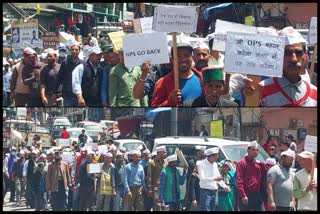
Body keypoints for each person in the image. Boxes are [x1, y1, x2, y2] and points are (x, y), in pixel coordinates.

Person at [259, 26, 317, 106]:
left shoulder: (314, 93)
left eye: (298, 52)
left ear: (305, 56)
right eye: (287, 53)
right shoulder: (261, 90)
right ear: (277, 56)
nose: (294, 59)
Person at [151, 34, 203, 107]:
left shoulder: (202, 78)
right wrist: (170, 102)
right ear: (172, 59)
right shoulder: (162, 83)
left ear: (192, 57)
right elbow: (154, 111)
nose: (183, 59)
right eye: (178, 56)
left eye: (186, 55)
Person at [236, 141, 269, 211]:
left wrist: (260, 163)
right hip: (246, 194)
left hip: (257, 194)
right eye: (253, 150)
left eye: (257, 150)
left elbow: (267, 171)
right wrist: (243, 195)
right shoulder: (242, 163)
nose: (255, 152)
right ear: (248, 150)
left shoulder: (258, 164)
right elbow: (239, 181)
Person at [55, 41, 82, 106]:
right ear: (70, 51)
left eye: (76, 50)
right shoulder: (65, 63)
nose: (74, 51)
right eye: (73, 49)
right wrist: (55, 92)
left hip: (79, 95)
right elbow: (59, 77)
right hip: (67, 95)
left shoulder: (82, 63)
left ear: (79, 51)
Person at [147, 145, 168, 211]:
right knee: (157, 206)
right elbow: (149, 175)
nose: (166, 154)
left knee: (165, 206)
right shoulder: (152, 162)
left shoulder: (166, 162)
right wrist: (150, 188)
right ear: (159, 153)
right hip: (156, 187)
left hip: (165, 187)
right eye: (164, 152)